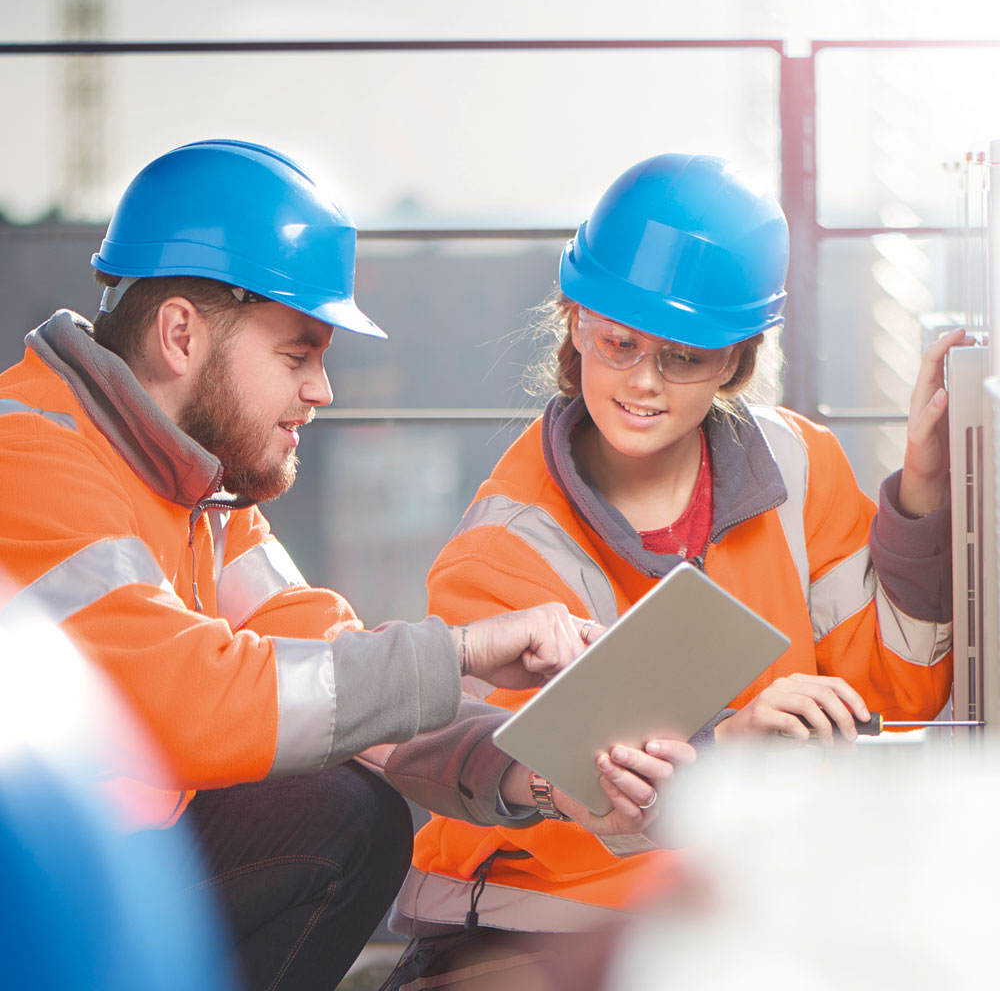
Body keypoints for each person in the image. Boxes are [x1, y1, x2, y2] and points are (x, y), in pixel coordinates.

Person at [0, 139, 687, 991]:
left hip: (80, 877)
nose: (322, 390)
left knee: (340, 813)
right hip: (30, 900)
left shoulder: (201, 495)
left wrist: (529, 771)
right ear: (180, 334)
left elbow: (339, 688)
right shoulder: (28, 454)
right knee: (332, 818)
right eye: (299, 353)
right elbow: (190, 698)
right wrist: (464, 649)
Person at [385, 152, 965, 988]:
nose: (644, 383)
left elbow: (894, 692)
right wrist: (729, 741)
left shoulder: (800, 467)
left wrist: (918, 492)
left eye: (684, 356)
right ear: (574, 324)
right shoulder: (509, 543)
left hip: (739, 911)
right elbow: (572, 790)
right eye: (619, 342)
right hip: (533, 923)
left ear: (733, 361)